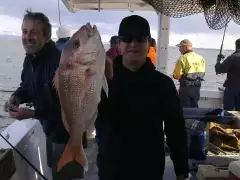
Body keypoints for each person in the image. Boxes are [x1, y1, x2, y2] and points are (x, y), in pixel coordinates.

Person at [96, 15, 189, 180]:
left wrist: (181, 170)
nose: (133, 43)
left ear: (148, 44)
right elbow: (86, 115)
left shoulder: (163, 84)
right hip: (111, 167)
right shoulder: (100, 81)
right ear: (118, 45)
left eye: (140, 38)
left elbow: (175, 129)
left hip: (149, 169)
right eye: (127, 38)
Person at [3, 10, 83, 179]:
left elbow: (70, 109)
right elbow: (27, 86)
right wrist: (16, 98)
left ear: (46, 37)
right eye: (24, 31)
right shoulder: (30, 58)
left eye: (34, 32)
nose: (27, 37)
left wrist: (32, 113)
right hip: (50, 131)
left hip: (68, 136)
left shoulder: (61, 63)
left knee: (64, 176)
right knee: (55, 171)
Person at [173, 39, 207, 161]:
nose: (179, 49)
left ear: (186, 47)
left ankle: (185, 150)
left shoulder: (182, 59)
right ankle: (197, 147)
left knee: (185, 117)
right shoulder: (200, 57)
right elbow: (202, 73)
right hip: (196, 90)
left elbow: (177, 75)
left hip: (185, 90)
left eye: (180, 47)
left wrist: (176, 76)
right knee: (195, 114)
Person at [215, 38, 240, 111]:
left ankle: (226, 122)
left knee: (227, 111)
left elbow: (219, 70)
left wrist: (218, 60)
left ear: (236, 46)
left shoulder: (233, 57)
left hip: (232, 88)